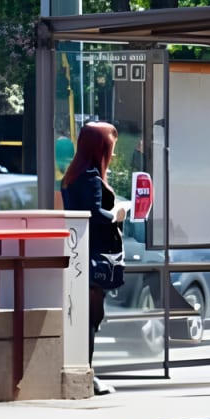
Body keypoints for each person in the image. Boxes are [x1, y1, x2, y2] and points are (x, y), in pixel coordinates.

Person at [61, 122, 127, 396]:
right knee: (90, 315)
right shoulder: (90, 175)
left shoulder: (73, 174)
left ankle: (86, 371)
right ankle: (87, 373)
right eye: (110, 147)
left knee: (85, 316)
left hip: (80, 253)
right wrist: (118, 214)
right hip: (92, 255)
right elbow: (95, 213)